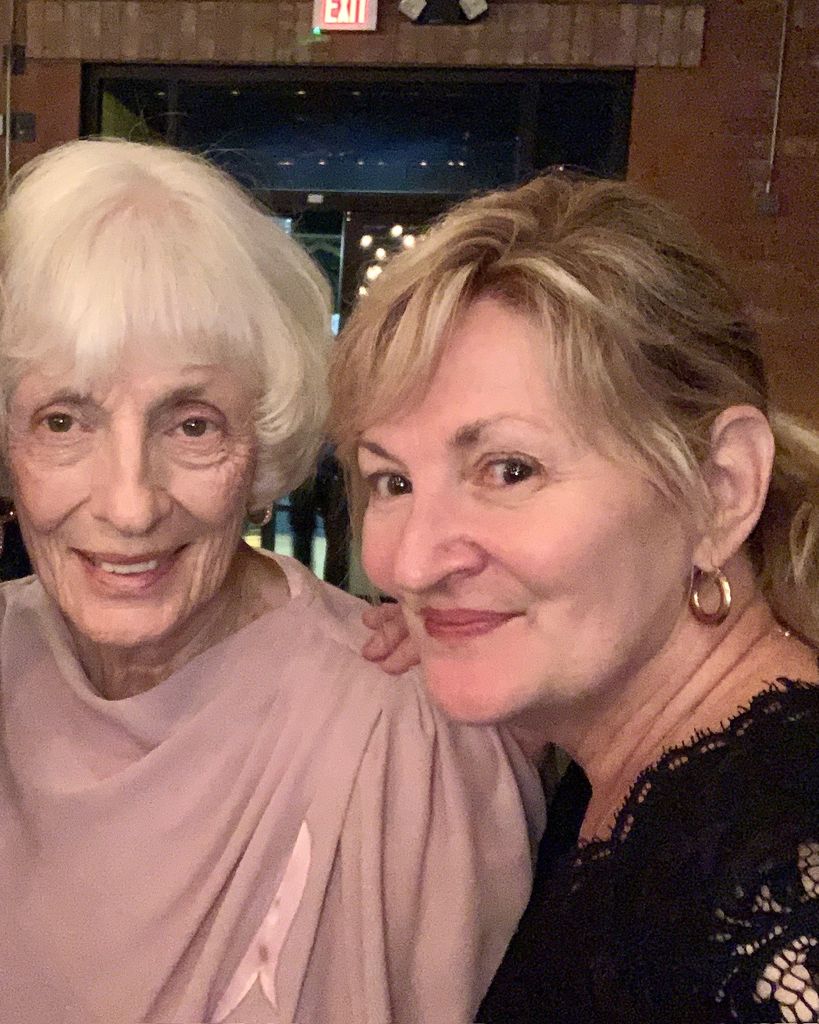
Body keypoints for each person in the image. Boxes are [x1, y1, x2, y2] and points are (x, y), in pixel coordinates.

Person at [0, 139, 545, 1024]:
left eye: (192, 425)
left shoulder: (398, 736)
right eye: (63, 422)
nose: (130, 506)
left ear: (264, 440)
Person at [329, 173, 819, 1023]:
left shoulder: (784, 882)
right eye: (392, 481)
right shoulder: (635, 774)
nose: (410, 563)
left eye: (508, 470)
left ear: (720, 488)